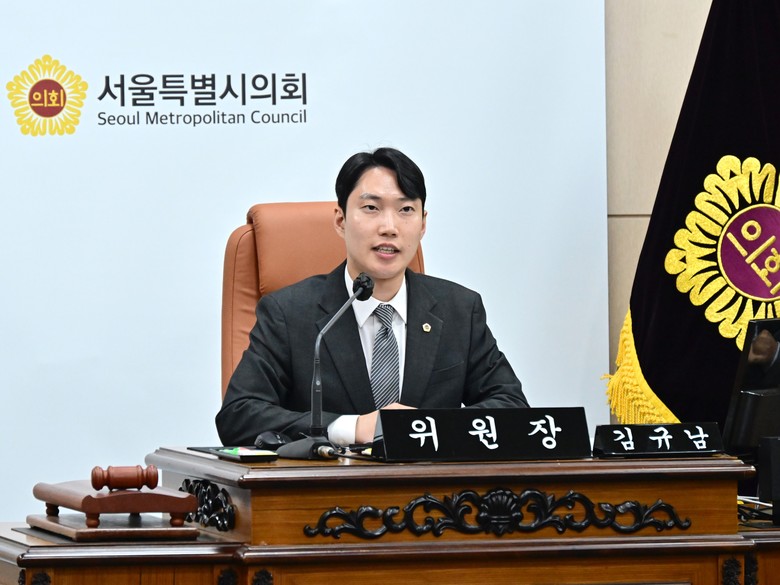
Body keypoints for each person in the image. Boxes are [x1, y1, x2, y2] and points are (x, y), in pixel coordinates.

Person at [215, 147, 528, 447]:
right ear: (340, 220)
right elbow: (239, 416)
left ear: (423, 224)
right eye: (371, 208)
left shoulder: (459, 309)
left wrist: (426, 428)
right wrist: (351, 428)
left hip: (431, 483)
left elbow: (512, 407)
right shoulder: (288, 313)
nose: (389, 227)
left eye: (406, 210)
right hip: (330, 482)